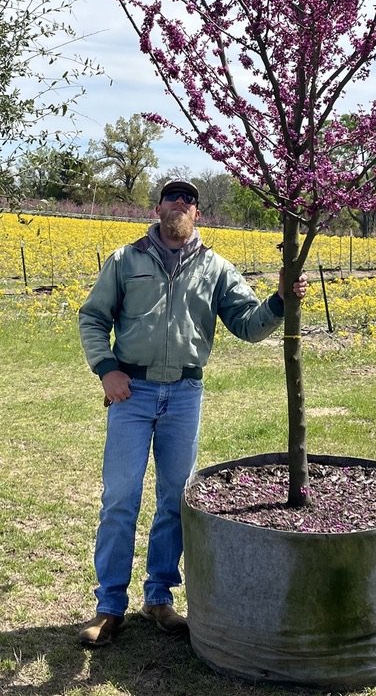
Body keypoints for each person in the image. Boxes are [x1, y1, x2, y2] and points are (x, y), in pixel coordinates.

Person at [77, 178, 307, 648]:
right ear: (158, 206)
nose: (181, 203)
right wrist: (107, 370)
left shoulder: (216, 268)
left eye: (190, 199)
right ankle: (108, 607)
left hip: (185, 394)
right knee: (120, 499)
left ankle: (159, 598)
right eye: (173, 196)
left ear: (197, 213)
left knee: (173, 501)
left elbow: (247, 325)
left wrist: (281, 300)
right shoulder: (125, 260)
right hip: (131, 393)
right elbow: (93, 318)